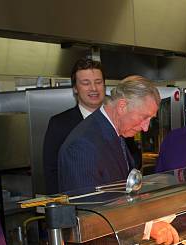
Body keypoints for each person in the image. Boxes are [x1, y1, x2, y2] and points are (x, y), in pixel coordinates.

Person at [58, 75, 179, 245]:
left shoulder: (112, 132)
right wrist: (148, 227)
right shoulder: (83, 144)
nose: (145, 127)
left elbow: (118, 190)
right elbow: (91, 212)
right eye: (144, 117)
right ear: (122, 105)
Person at [42, 58, 141, 195]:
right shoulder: (59, 124)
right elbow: (52, 172)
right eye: (86, 83)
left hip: (120, 202)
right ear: (75, 88)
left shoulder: (120, 118)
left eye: (98, 82)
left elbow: (133, 158)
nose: (93, 88)